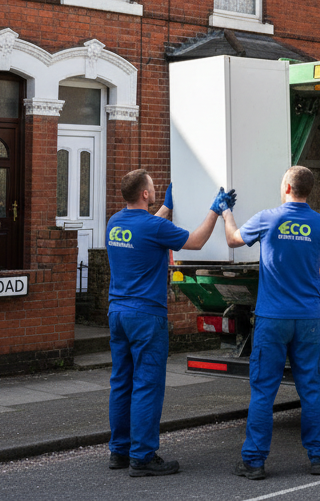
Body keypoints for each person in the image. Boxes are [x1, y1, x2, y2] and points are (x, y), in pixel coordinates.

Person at [105, 168, 235, 477]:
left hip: (117, 314)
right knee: (147, 385)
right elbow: (196, 241)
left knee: (121, 383)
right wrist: (215, 211)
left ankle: (119, 451)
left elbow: (147, 228)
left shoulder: (114, 223)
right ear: (146, 194)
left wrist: (166, 207)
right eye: (153, 188)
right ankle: (143, 456)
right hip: (146, 317)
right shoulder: (153, 227)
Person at [220, 165, 320, 481]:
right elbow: (319, 259)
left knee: (264, 391)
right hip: (308, 319)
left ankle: (254, 462)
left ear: (286, 187)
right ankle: (319, 459)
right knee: (311, 390)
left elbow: (232, 240)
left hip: (272, 319)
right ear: (308, 190)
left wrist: (225, 211)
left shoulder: (266, 219)